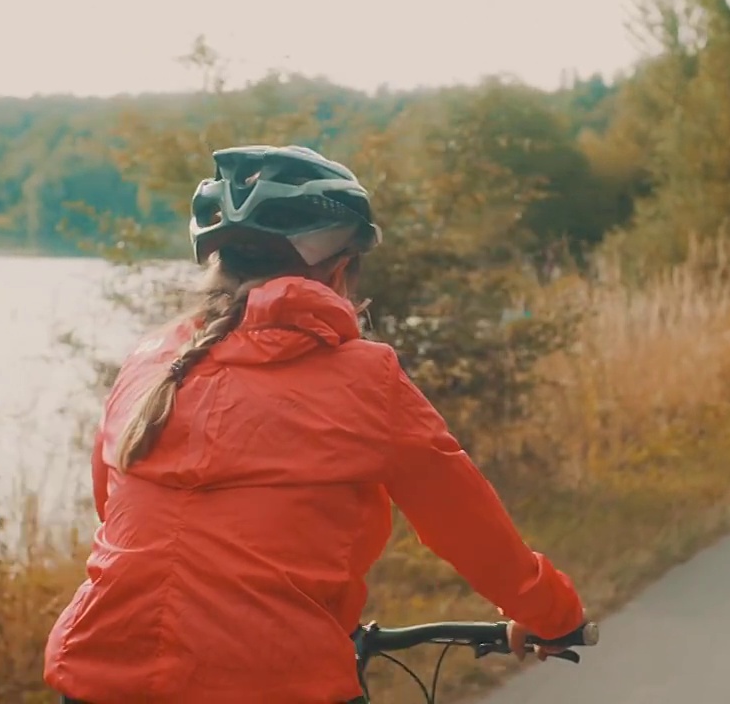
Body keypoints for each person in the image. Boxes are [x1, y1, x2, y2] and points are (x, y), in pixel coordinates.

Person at [43, 144, 587, 704]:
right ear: (340, 268)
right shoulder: (365, 377)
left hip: (97, 673)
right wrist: (552, 614)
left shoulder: (150, 360)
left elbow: (117, 511)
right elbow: (466, 525)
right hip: (273, 680)